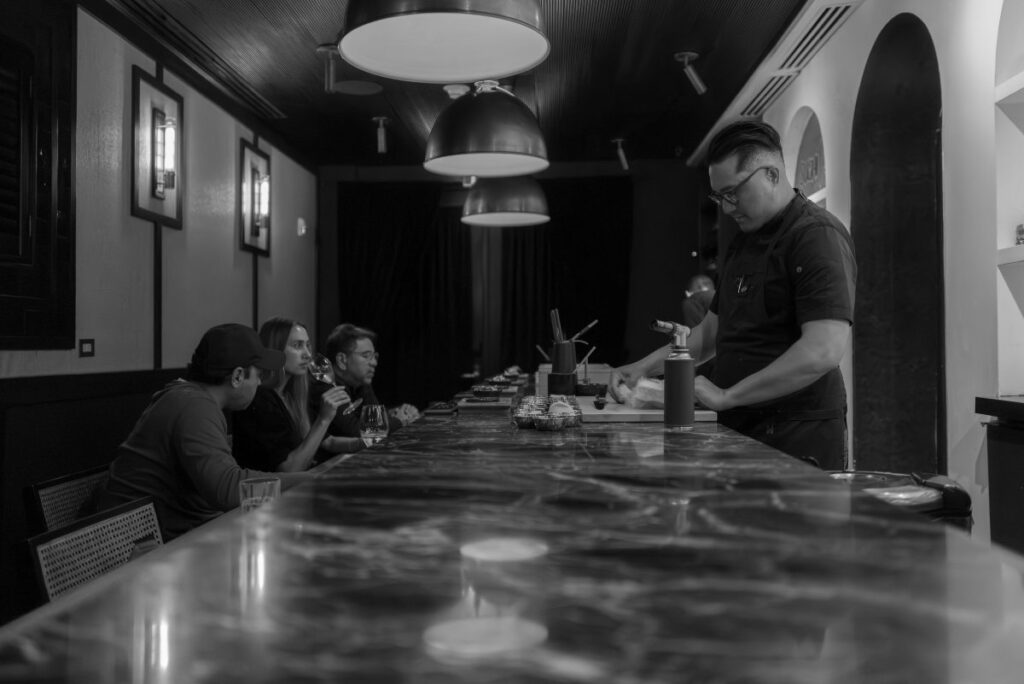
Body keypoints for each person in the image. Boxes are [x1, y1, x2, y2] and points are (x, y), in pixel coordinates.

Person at [611, 120, 856, 470]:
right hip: (742, 427)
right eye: (719, 196)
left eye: (733, 193)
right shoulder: (744, 241)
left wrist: (729, 396)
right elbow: (710, 333)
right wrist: (641, 369)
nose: (727, 208)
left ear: (771, 174)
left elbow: (823, 351)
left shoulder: (815, 236)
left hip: (798, 434)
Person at [96, 323, 314, 541]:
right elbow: (226, 489)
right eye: (260, 373)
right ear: (238, 376)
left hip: (160, 535)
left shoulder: (189, 397)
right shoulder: (194, 406)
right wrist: (313, 480)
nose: (259, 382)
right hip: (130, 548)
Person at [232, 317, 351, 472]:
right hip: (271, 493)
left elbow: (328, 441)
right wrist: (324, 419)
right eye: (297, 346)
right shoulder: (259, 399)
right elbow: (290, 469)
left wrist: (367, 442)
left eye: (308, 346)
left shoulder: (290, 395)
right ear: (275, 351)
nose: (308, 355)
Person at [310, 323, 418, 454]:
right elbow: (357, 432)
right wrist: (400, 420)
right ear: (342, 360)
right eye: (366, 356)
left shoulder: (360, 382)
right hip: (329, 466)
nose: (374, 363)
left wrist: (394, 413)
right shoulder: (325, 385)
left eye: (374, 356)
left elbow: (374, 423)